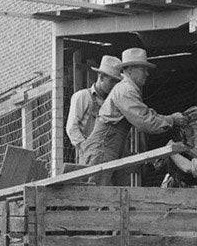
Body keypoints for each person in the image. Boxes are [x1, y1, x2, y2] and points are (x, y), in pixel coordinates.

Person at [79, 47, 188, 185]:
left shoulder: (128, 89)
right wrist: (172, 120)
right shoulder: (126, 90)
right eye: (143, 69)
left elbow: (146, 113)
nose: (147, 74)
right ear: (130, 69)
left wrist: (168, 118)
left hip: (109, 150)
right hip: (102, 151)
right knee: (97, 195)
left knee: (108, 196)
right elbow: (145, 121)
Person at [65, 55, 122, 151]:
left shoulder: (114, 102)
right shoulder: (83, 96)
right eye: (111, 81)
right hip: (89, 154)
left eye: (116, 82)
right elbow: (72, 127)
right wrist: (85, 147)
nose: (114, 85)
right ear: (101, 77)